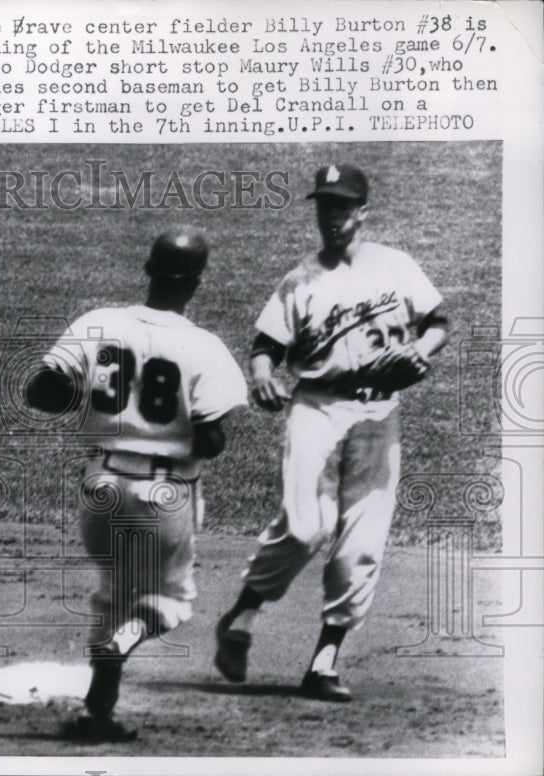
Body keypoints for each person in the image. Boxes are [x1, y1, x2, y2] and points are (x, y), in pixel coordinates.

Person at [214, 164, 449, 701]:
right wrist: (262, 376)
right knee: (304, 528)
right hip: (316, 407)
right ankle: (241, 616)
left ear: (362, 212)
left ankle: (324, 662)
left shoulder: (396, 266)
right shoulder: (300, 279)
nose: (332, 217)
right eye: (325, 206)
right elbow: (266, 346)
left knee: (361, 543)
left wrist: (420, 350)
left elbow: (439, 322)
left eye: (342, 207)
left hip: (379, 412)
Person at [27, 228, 247, 741]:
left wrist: (95, 400)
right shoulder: (205, 347)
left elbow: (40, 393)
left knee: (113, 595)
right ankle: (123, 643)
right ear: (196, 282)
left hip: (100, 485)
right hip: (163, 492)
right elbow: (211, 440)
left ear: (148, 271)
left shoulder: (98, 322)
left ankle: (97, 713)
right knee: (171, 601)